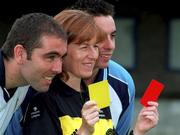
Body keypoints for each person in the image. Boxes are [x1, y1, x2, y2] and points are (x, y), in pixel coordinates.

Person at [71, 0, 159, 135]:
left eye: (112, 36)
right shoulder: (50, 78)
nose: (110, 45)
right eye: (100, 37)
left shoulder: (123, 82)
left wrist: (138, 131)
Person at [22, 9, 110, 135]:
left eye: (95, 46)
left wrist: (139, 129)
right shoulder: (44, 100)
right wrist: (83, 131)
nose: (93, 55)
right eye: (84, 47)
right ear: (61, 50)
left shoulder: (99, 92)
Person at [0, 12, 67, 134]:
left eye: (62, 58)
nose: (58, 69)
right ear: (20, 54)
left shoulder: (26, 81)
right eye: (50, 57)